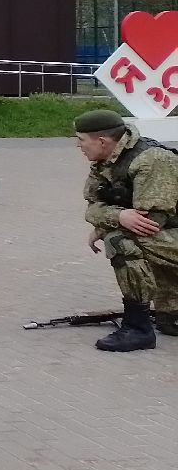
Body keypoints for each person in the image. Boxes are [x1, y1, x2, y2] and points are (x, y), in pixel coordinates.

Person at [74, 108, 178, 351]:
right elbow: (92, 206)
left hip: (166, 229)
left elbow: (149, 220)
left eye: (81, 140)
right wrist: (118, 216)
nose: (78, 146)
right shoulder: (105, 161)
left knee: (120, 240)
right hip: (169, 235)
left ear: (102, 141)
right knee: (119, 232)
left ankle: (138, 327)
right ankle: (170, 310)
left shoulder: (152, 160)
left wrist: (110, 222)